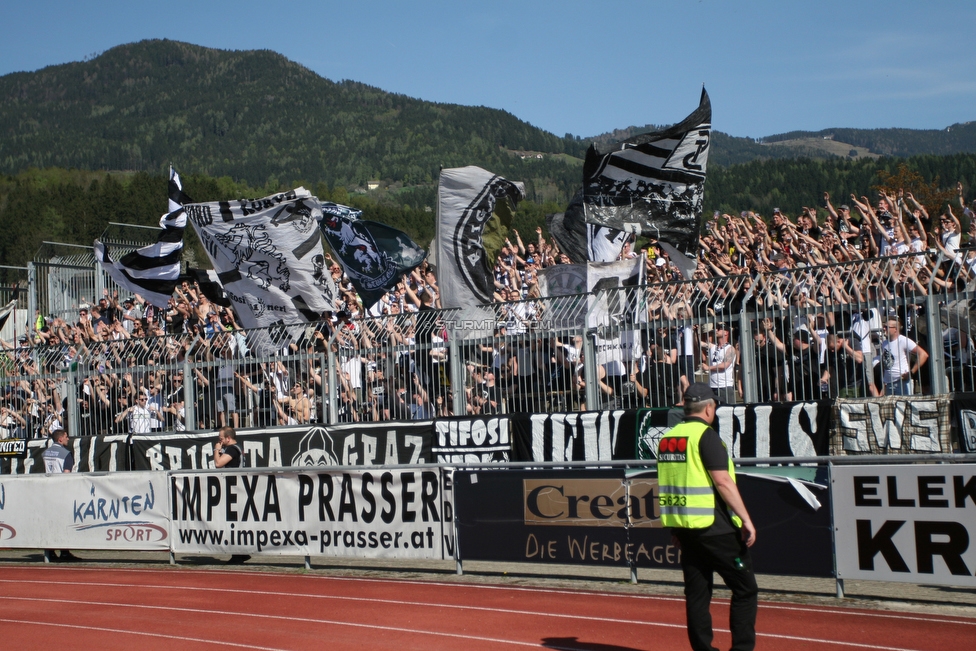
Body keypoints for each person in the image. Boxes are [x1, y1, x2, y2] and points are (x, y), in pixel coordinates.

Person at [657, 383, 758, 651]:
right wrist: (746, 519)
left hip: (686, 529)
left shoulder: (668, 438)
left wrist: (676, 530)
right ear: (709, 408)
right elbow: (723, 481)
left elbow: (673, 483)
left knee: (697, 595)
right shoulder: (706, 436)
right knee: (745, 590)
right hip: (717, 528)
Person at [42, 429, 80, 563]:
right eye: (66, 437)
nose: (68, 439)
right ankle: (64, 552)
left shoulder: (45, 452)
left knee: (50, 522)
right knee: (64, 522)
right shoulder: (66, 454)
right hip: (61, 490)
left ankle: (50, 551)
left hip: (48, 489)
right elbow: (66, 473)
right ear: (60, 439)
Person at [213, 426, 250, 565]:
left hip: (234, 488)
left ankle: (238, 553)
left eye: (221, 439)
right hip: (235, 487)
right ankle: (240, 552)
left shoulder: (233, 449)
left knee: (233, 522)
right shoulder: (236, 448)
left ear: (228, 438)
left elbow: (218, 464)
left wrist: (216, 449)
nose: (220, 441)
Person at [880, 317, 928, 396]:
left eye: (886, 327)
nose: (884, 329)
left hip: (902, 383)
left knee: (905, 407)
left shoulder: (903, 341)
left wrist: (911, 372)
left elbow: (923, 354)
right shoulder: (884, 343)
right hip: (888, 383)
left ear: (895, 329)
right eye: (884, 326)